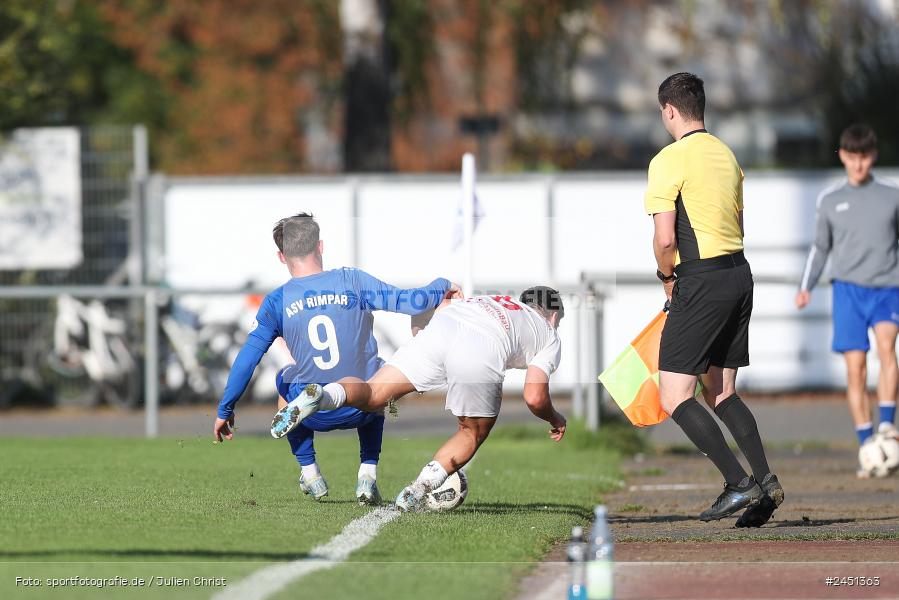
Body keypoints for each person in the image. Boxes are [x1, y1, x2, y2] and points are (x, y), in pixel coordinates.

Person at [213, 213, 460, 505]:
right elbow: (412, 302)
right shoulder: (352, 281)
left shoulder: (277, 301)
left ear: (281, 256)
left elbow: (248, 358)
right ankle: (367, 473)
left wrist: (225, 408)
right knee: (377, 372)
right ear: (320, 246)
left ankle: (310, 472)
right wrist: (443, 283)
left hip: (315, 415)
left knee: (285, 381)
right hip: (363, 406)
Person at [273, 287, 568, 511]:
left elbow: (429, 309)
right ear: (553, 316)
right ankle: (418, 488)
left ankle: (324, 394)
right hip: (480, 348)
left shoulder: (491, 299)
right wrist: (555, 418)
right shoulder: (548, 334)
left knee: (374, 393)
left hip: (441, 329)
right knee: (471, 432)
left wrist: (427, 354)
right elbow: (534, 397)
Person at [645, 72, 782, 527]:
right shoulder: (727, 154)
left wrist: (667, 278)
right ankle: (766, 483)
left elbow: (665, 239)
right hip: (739, 274)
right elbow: (737, 224)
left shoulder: (668, 159)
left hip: (701, 280)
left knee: (674, 394)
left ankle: (738, 483)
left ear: (669, 110)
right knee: (721, 391)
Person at [797, 124, 899, 477]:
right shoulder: (829, 200)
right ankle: (867, 446)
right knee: (855, 369)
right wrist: (806, 286)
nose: (858, 164)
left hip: (887, 288)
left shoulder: (892, 196)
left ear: (873, 156)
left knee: (886, 348)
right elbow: (820, 248)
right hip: (848, 292)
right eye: (853, 157)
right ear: (842, 156)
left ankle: (886, 425)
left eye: (865, 157)